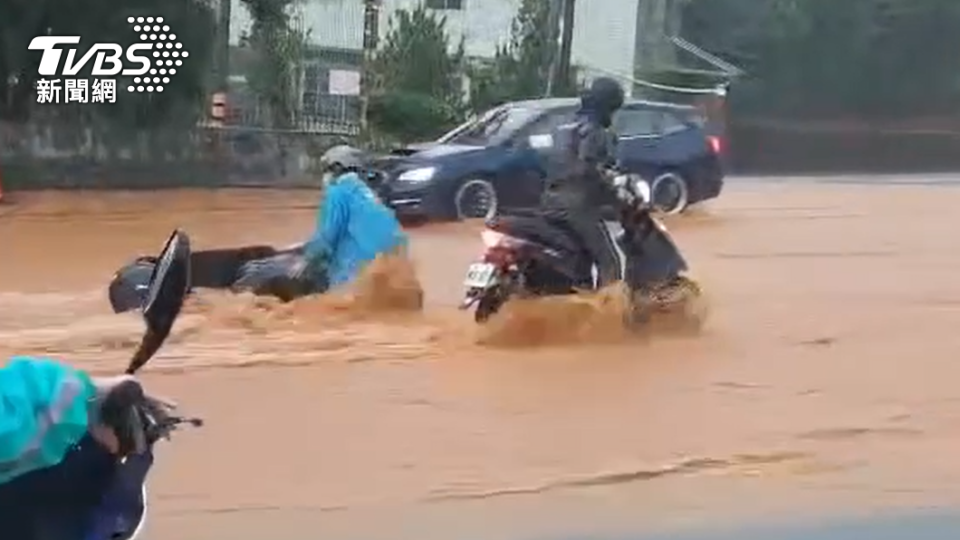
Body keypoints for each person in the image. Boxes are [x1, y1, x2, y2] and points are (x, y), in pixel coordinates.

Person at [541, 76, 627, 288]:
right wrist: (613, 189)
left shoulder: (564, 126)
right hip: (577, 207)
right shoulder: (595, 131)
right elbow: (589, 169)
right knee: (609, 261)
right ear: (607, 106)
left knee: (580, 254)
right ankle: (608, 313)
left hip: (548, 202)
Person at [291, 144, 408, 289]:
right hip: (396, 270)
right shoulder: (368, 194)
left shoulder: (338, 193)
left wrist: (305, 260)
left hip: (358, 271)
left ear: (336, 169)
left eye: (326, 170)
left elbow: (327, 235)